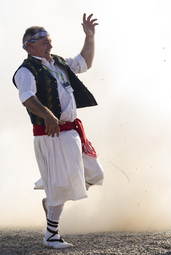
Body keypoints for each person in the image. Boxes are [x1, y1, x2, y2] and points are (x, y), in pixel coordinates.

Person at [13, 13, 104, 248]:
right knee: (60, 187)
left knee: (96, 174)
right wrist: (48, 115)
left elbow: (85, 62)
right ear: (29, 45)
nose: (50, 44)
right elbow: (27, 98)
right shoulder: (26, 71)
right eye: (45, 41)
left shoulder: (58, 63)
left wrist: (90, 37)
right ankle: (51, 235)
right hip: (51, 134)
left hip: (72, 132)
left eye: (50, 40)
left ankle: (55, 195)